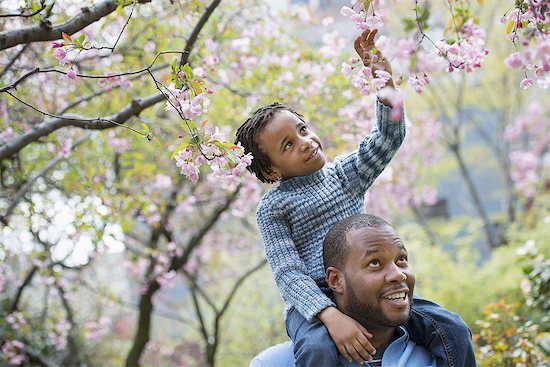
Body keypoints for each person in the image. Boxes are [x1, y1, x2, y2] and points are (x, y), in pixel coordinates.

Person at [236, 28, 474, 366]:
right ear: (272, 171)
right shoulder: (274, 208)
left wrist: (385, 86)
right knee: (318, 350)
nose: (305, 141)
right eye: (288, 144)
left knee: (452, 329)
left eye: (302, 129)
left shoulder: (343, 174)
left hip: (368, 287)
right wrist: (329, 315)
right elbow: (288, 273)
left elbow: (387, 139)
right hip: (312, 304)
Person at [250, 214, 477, 367]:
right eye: (375, 263)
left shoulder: (441, 352)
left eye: (402, 259)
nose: (398, 274)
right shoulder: (275, 363)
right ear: (336, 280)